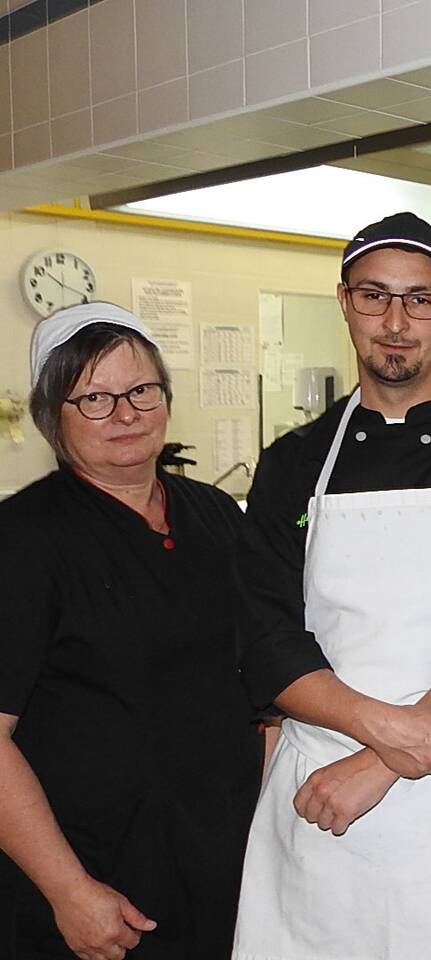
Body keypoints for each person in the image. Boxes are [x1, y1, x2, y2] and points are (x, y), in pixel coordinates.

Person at [231, 212, 431, 960]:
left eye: (420, 299)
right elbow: (266, 634)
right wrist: (383, 731)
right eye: (375, 297)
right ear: (344, 302)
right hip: (320, 789)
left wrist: (381, 763)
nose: (396, 322)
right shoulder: (294, 462)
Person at [0, 304, 262, 960]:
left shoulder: (214, 515)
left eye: (141, 390)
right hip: (94, 890)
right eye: (93, 397)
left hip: (220, 869)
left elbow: (259, 677)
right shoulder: (24, 540)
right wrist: (68, 891)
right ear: (51, 417)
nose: (125, 413)